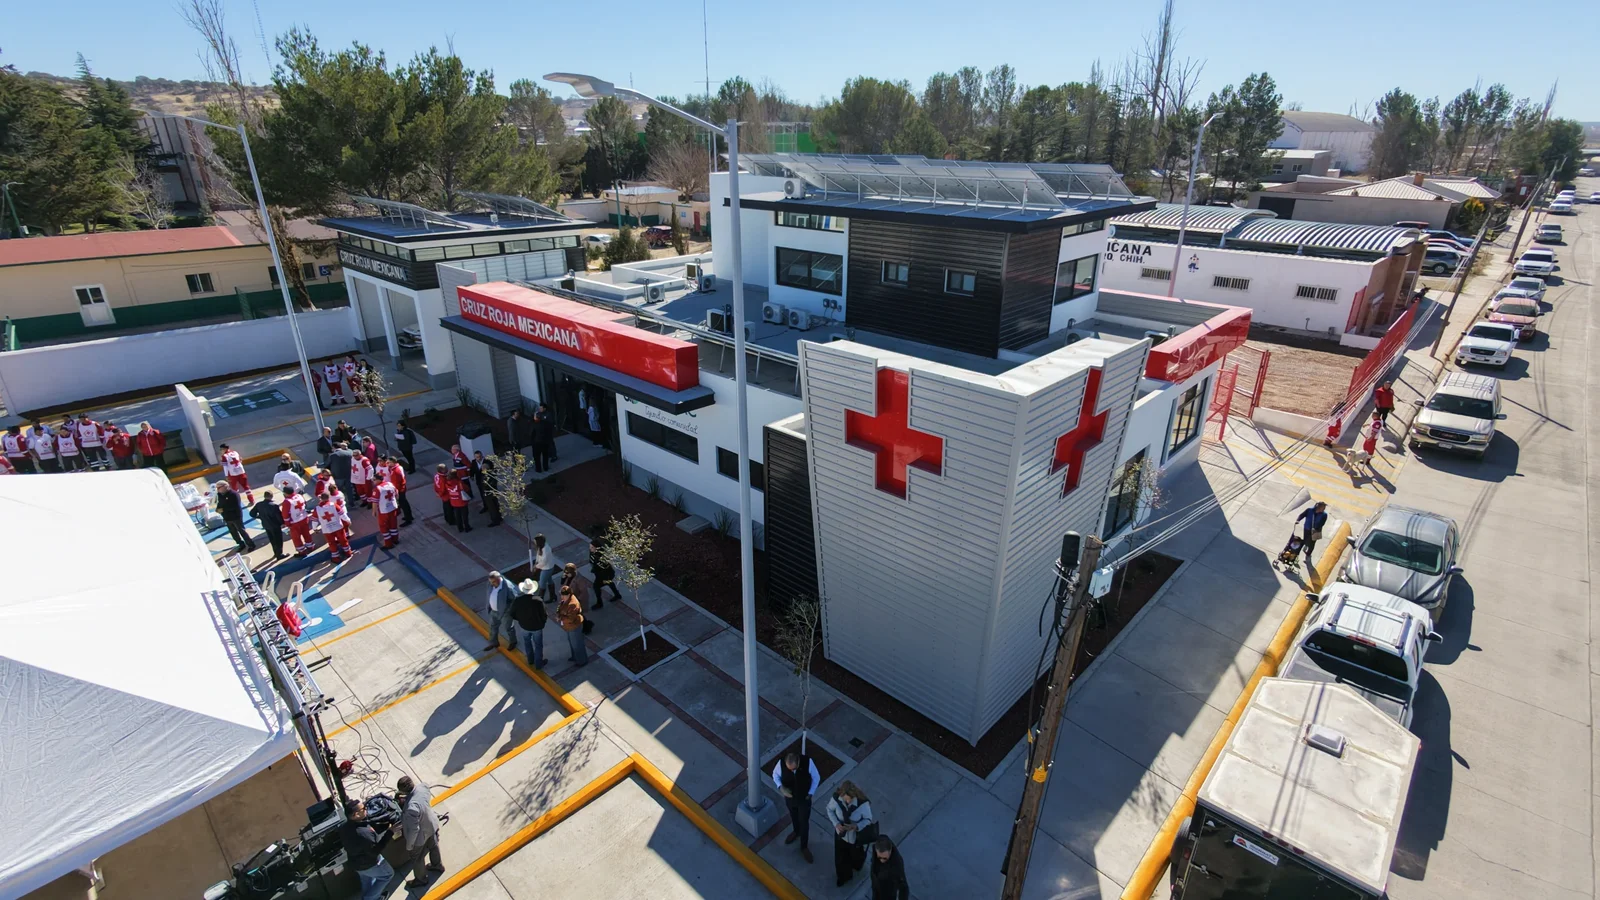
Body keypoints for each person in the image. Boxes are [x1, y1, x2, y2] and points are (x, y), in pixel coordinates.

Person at [338, 798, 394, 900]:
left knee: (367, 880)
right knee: (388, 875)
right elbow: (375, 851)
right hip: (369, 864)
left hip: (356, 863)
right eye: (363, 808)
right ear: (356, 815)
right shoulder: (364, 833)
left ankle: (370, 896)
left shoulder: (343, 827)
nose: (366, 809)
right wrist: (390, 832)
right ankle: (370, 898)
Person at [395, 776, 444, 889]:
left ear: (403, 791)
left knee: (417, 858)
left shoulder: (411, 807)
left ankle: (421, 879)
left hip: (420, 836)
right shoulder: (424, 787)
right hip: (431, 824)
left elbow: (414, 829)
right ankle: (437, 865)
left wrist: (410, 845)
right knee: (434, 845)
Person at [772, 749, 820, 863]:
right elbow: (775, 775)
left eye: (794, 769)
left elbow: (816, 777)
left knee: (804, 822)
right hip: (790, 798)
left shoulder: (808, 762)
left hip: (804, 799)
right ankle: (795, 831)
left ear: (798, 762)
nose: (792, 771)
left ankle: (804, 846)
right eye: (789, 770)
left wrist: (811, 793)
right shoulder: (781, 764)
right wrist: (781, 787)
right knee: (793, 816)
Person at [826, 781, 876, 887]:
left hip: (855, 837)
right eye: (845, 798)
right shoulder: (836, 799)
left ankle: (857, 865)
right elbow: (829, 810)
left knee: (856, 856)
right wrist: (836, 824)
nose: (847, 801)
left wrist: (856, 826)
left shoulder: (863, 804)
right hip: (841, 835)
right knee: (840, 858)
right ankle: (843, 877)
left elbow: (868, 819)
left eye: (850, 799)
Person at [512, 578, 548, 668]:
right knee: (538, 645)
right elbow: (544, 614)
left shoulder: (518, 600)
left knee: (527, 643)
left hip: (524, 626)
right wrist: (542, 622)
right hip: (537, 627)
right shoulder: (538, 600)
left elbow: (512, 613)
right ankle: (538, 664)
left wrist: (520, 620)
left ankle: (530, 660)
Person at [215, 481, 255, 553]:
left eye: (219, 488)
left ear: (225, 486)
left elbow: (234, 506)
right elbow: (220, 503)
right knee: (233, 532)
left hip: (236, 516)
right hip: (227, 517)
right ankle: (241, 544)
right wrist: (218, 509)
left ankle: (251, 544)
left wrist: (223, 510)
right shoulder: (220, 495)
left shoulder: (234, 494)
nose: (217, 489)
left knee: (242, 531)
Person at [315, 490, 353, 562]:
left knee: (332, 543)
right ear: (329, 497)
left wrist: (315, 528)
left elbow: (314, 520)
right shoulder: (334, 505)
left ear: (321, 498)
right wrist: (348, 520)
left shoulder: (317, 509)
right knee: (343, 540)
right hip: (338, 527)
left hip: (327, 530)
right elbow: (342, 515)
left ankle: (335, 557)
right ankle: (348, 552)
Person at [483, 571, 516, 651]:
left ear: (499, 579)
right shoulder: (490, 584)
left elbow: (514, 600)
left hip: (505, 613)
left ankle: (513, 642)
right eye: (490, 582)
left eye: (493, 582)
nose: (492, 584)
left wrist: (507, 610)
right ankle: (493, 643)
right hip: (493, 611)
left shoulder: (508, 587)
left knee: (509, 628)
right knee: (492, 628)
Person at [869, 836, 910, 900]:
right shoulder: (878, 845)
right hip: (876, 886)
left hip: (888, 893)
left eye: (885, 858)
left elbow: (904, 887)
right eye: (879, 857)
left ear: (890, 851)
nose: (882, 860)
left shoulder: (897, 864)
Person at [251, 489, 288, 560]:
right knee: (278, 540)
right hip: (275, 526)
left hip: (266, 525)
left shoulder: (259, 504)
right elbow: (279, 516)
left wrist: (260, 517)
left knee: (272, 539)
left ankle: (275, 552)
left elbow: (252, 514)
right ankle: (279, 554)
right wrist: (282, 523)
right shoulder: (274, 506)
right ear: (271, 496)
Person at [556, 585, 587, 666]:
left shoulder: (572, 604)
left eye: (563, 595)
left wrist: (560, 618)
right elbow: (560, 607)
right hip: (568, 626)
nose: (562, 597)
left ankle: (581, 661)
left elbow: (570, 619)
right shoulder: (565, 600)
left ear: (569, 595)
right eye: (561, 595)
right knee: (572, 643)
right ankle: (575, 657)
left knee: (577, 644)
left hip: (574, 626)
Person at [1294, 501, 1330, 567]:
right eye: (1323, 507)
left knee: (1312, 544)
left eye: (1324, 507)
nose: (1324, 508)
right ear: (1318, 507)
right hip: (1307, 529)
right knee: (1305, 540)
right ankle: (1304, 547)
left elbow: (1322, 523)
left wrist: (1315, 528)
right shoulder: (1309, 510)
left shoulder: (1324, 515)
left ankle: (1308, 555)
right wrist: (1298, 520)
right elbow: (1302, 515)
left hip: (1316, 531)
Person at [382, 455, 415, 525]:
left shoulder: (395, 471)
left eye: (389, 462)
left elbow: (396, 483)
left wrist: (395, 492)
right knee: (404, 503)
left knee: (403, 504)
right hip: (402, 488)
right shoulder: (398, 467)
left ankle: (408, 519)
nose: (388, 464)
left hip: (400, 490)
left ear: (393, 462)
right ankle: (409, 516)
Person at [560, 562, 592, 634]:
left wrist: (578, 601)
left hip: (577, 600)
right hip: (570, 600)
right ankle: (586, 626)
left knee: (579, 614)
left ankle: (587, 627)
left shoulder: (579, 579)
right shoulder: (568, 577)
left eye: (568, 573)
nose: (566, 574)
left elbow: (584, 592)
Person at [589, 536, 621, 607]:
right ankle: (617, 595)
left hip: (605, 574)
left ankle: (599, 603)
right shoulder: (592, 553)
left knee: (596, 586)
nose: (590, 549)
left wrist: (596, 568)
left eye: (592, 547)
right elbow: (592, 561)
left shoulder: (601, 556)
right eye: (590, 547)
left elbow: (604, 566)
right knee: (609, 583)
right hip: (599, 574)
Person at [284, 487, 315, 557]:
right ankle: (310, 546)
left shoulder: (287, 501)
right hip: (304, 518)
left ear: (286, 493)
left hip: (295, 522)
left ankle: (302, 552)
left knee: (296, 538)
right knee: (306, 534)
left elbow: (285, 514)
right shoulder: (300, 496)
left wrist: (287, 523)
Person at [375, 474, 401, 549]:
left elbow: (374, 502)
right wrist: (396, 502)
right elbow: (396, 493)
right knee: (393, 525)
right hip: (393, 508)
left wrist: (374, 511)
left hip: (384, 511)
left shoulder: (378, 489)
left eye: (374, 479)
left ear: (378, 480)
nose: (373, 481)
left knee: (384, 527)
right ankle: (395, 540)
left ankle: (389, 544)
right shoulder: (390, 484)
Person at [532, 534, 558, 601]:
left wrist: (536, 566)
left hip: (547, 568)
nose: (534, 543)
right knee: (549, 581)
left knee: (542, 583)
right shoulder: (541, 546)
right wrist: (536, 562)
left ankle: (541, 598)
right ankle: (553, 596)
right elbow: (538, 555)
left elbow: (544, 562)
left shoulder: (546, 550)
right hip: (547, 567)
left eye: (535, 542)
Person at [479, 456, 502, 526]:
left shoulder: (487, 476)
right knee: (496, 506)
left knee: (492, 508)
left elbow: (487, 485)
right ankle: (499, 517)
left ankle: (495, 521)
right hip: (493, 493)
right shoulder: (492, 474)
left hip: (489, 494)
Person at [532, 405, 555, 473]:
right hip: (544, 442)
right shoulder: (545, 423)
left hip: (537, 443)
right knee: (545, 455)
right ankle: (546, 467)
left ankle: (538, 469)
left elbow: (531, 434)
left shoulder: (534, 425)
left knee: (537, 457)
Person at [434, 463, 454, 528]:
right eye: (445, 468)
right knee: (449, 508)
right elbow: (443, 489)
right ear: (442, 470)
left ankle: (446, 518)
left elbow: (435, 485)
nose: (447, 469)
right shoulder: (443, 478)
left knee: (445, 507)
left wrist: (437, 493)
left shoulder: (436, 476)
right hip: (447, 495)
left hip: (442, 495)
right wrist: (440, 494)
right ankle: (451, 520)